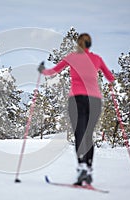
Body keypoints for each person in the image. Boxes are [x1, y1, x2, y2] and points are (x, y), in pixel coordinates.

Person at [38, 33, 115, 185]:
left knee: (80, 133)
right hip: (95, 101)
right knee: (88, 135)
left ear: (78, 44)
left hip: (77, 100)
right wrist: (111, 82)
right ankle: (89, 170)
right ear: (90, 44)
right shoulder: (97, 59)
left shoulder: (72, 57)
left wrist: (42, 70)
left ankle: (82, 168)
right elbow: (110, 77)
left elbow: (52, 72)